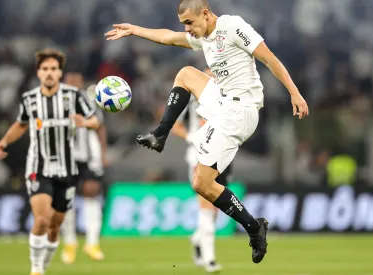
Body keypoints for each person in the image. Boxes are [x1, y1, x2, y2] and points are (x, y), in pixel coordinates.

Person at [105, 0, 309, 263]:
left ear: (205, 13)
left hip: (241, 111)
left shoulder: (233, 26)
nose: (187, 29)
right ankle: (160, 134)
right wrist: (135, 29)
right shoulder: (203, 36)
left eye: (189, 22)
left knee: (201, 183)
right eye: (184, 24)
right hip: (223, 102)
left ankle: (254, 228)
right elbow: (168, 37)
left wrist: (295, 93)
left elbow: (269, 58)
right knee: (186, 74)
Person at [0, 49, 100, 275]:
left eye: (53, 69)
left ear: (60, 72)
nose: (49, 73)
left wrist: (85, 122)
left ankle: (44, 265)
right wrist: (3, 142)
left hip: (66, 168)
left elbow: (95, 122)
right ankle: (36, 269)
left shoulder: (74, 96)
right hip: (38, 167)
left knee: (55, 226)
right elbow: (20, 124)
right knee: (42, 219)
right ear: (38, 73)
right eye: (45, 69)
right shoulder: (29, 99)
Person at [171, 68, 231, 272]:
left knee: (215, 211)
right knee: (206, 206)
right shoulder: (191, 100)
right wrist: (192, 138)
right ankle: (210, 259)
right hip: (199, 155)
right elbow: (176, 125)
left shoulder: (228, 96)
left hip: (224, 155)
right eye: (207, 75)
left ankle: (198, 240)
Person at [59, 72, 108, 264]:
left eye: (76, 80)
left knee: (91, 191)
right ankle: (70, 242)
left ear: (81, 81)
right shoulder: (56, 101)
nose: (73, 83)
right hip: (66, 155)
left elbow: (100, 127)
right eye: (70, 79)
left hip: (89, 155)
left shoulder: (90, 99)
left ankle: (92, 242)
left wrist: (103, 153)